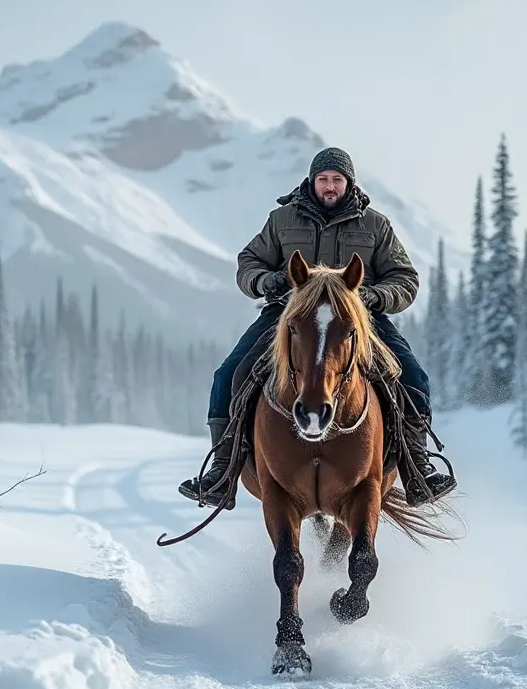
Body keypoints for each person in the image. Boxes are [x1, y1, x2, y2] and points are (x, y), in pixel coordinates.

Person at [178, 147, 457, 509]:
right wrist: (266, 282)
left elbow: (404, 278)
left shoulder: (375, 225)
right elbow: (249, 262)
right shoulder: (281, 220)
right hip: (288, 317)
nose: (329, 186)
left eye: (336, 180)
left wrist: (372, 297)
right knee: (229, 374)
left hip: (359, 320)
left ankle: (417, 469)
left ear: (348, 183)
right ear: (312, 181)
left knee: (413, 377)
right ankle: (222, 472)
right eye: (323, 179)